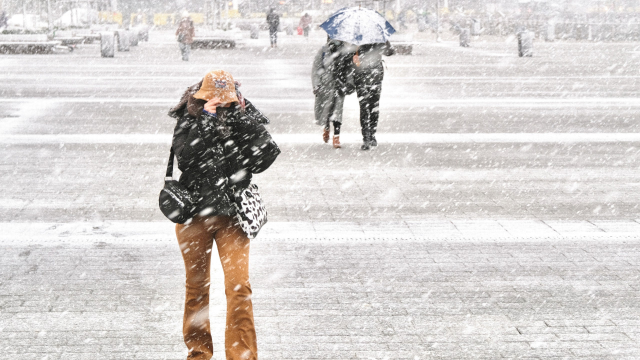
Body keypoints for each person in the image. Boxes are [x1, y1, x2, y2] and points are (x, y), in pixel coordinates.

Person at [167, 70, 280, 360]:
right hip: (194, 217)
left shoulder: (242, 116)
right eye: (213, 98)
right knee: (196, 289)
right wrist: (206, 119)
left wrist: (242, 117)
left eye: (226, 99)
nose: (220, 103)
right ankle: (198, 353)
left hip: (233, 218)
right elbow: (187, 159)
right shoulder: (189, 118)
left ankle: (242, 356)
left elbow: (265, 156)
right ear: (201, 95)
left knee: (239, 287)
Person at [312, 38, 356, 148]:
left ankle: (336, 137)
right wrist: (316, 85)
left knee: (337, 112)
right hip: (325, 86)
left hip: (339, 85)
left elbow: (350, 69)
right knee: (326, 110)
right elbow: (316, 69)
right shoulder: (323, 51)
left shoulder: (346, 52)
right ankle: (326, 128)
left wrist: (349, 83)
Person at [352, 41, 396, 150]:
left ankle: (368, 136)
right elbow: (390, 52)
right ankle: (369, 136)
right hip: (370, 77)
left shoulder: (357, 40)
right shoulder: (376, 39)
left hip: (366, 78)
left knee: (368, 108)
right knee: (371, 107)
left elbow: (389, 52)